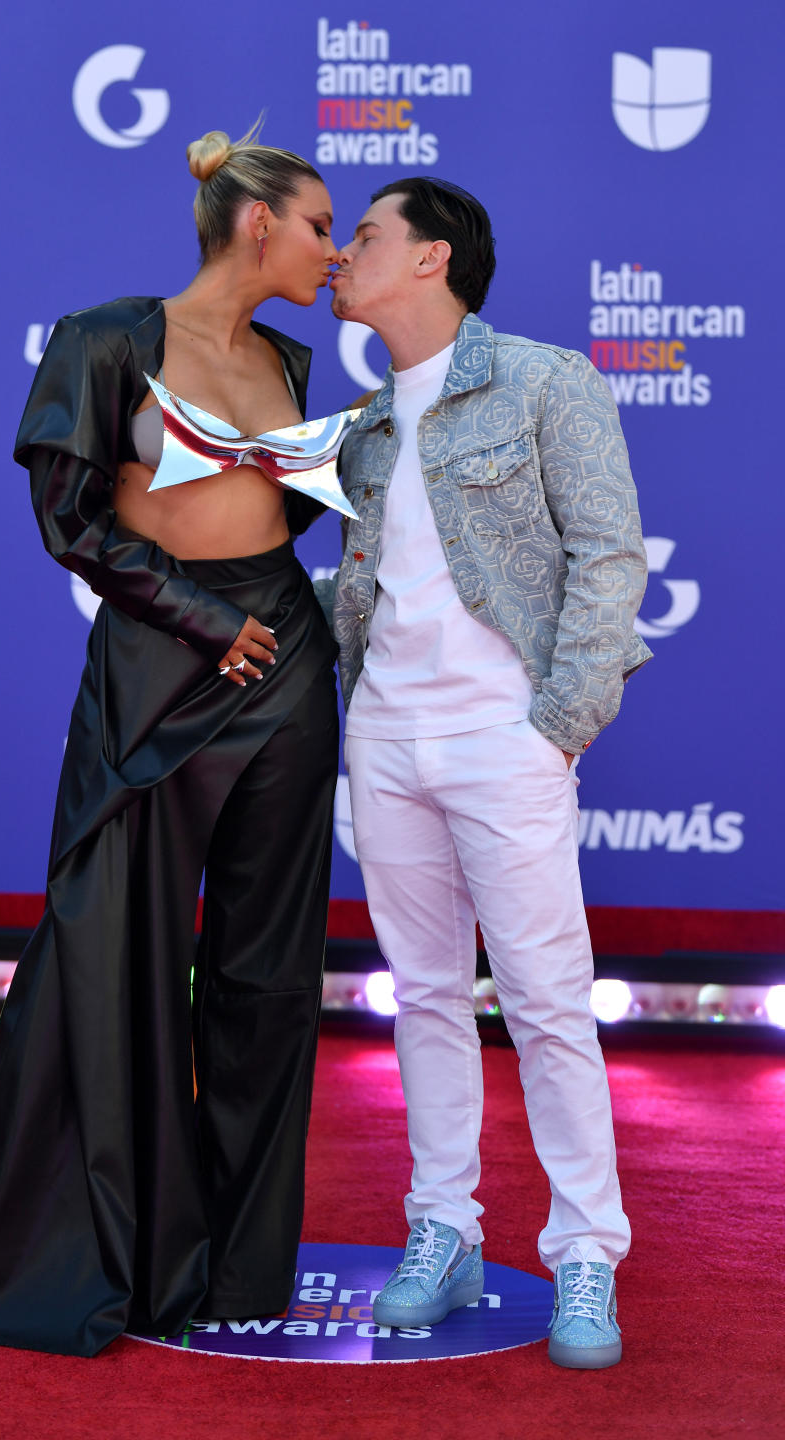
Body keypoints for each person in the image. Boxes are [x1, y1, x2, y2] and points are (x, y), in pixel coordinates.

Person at [0, 126, 343, 1357]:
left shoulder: (293, 357)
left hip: (288, 666)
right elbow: (70, 518)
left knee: (267, 979)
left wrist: (267, 620)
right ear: (256, 223)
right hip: (162, 669)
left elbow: (278, 517)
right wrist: (206, 621)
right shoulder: (106, 337)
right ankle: (111, 1255)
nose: (332, 249)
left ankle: (238, 1265)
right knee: (111, 955)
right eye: (321, 225)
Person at [328, 178, 651, 1369]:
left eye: (365, 235)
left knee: (549, 1004)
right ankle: (444, 1230)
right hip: (387, 740)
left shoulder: (545, 380)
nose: (340, 255)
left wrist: (557, 724)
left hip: (502, 744)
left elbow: (611, 557)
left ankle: (583, 1254)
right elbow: (377, 590)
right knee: (421, 996)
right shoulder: (363, 425)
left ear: (433, 260)